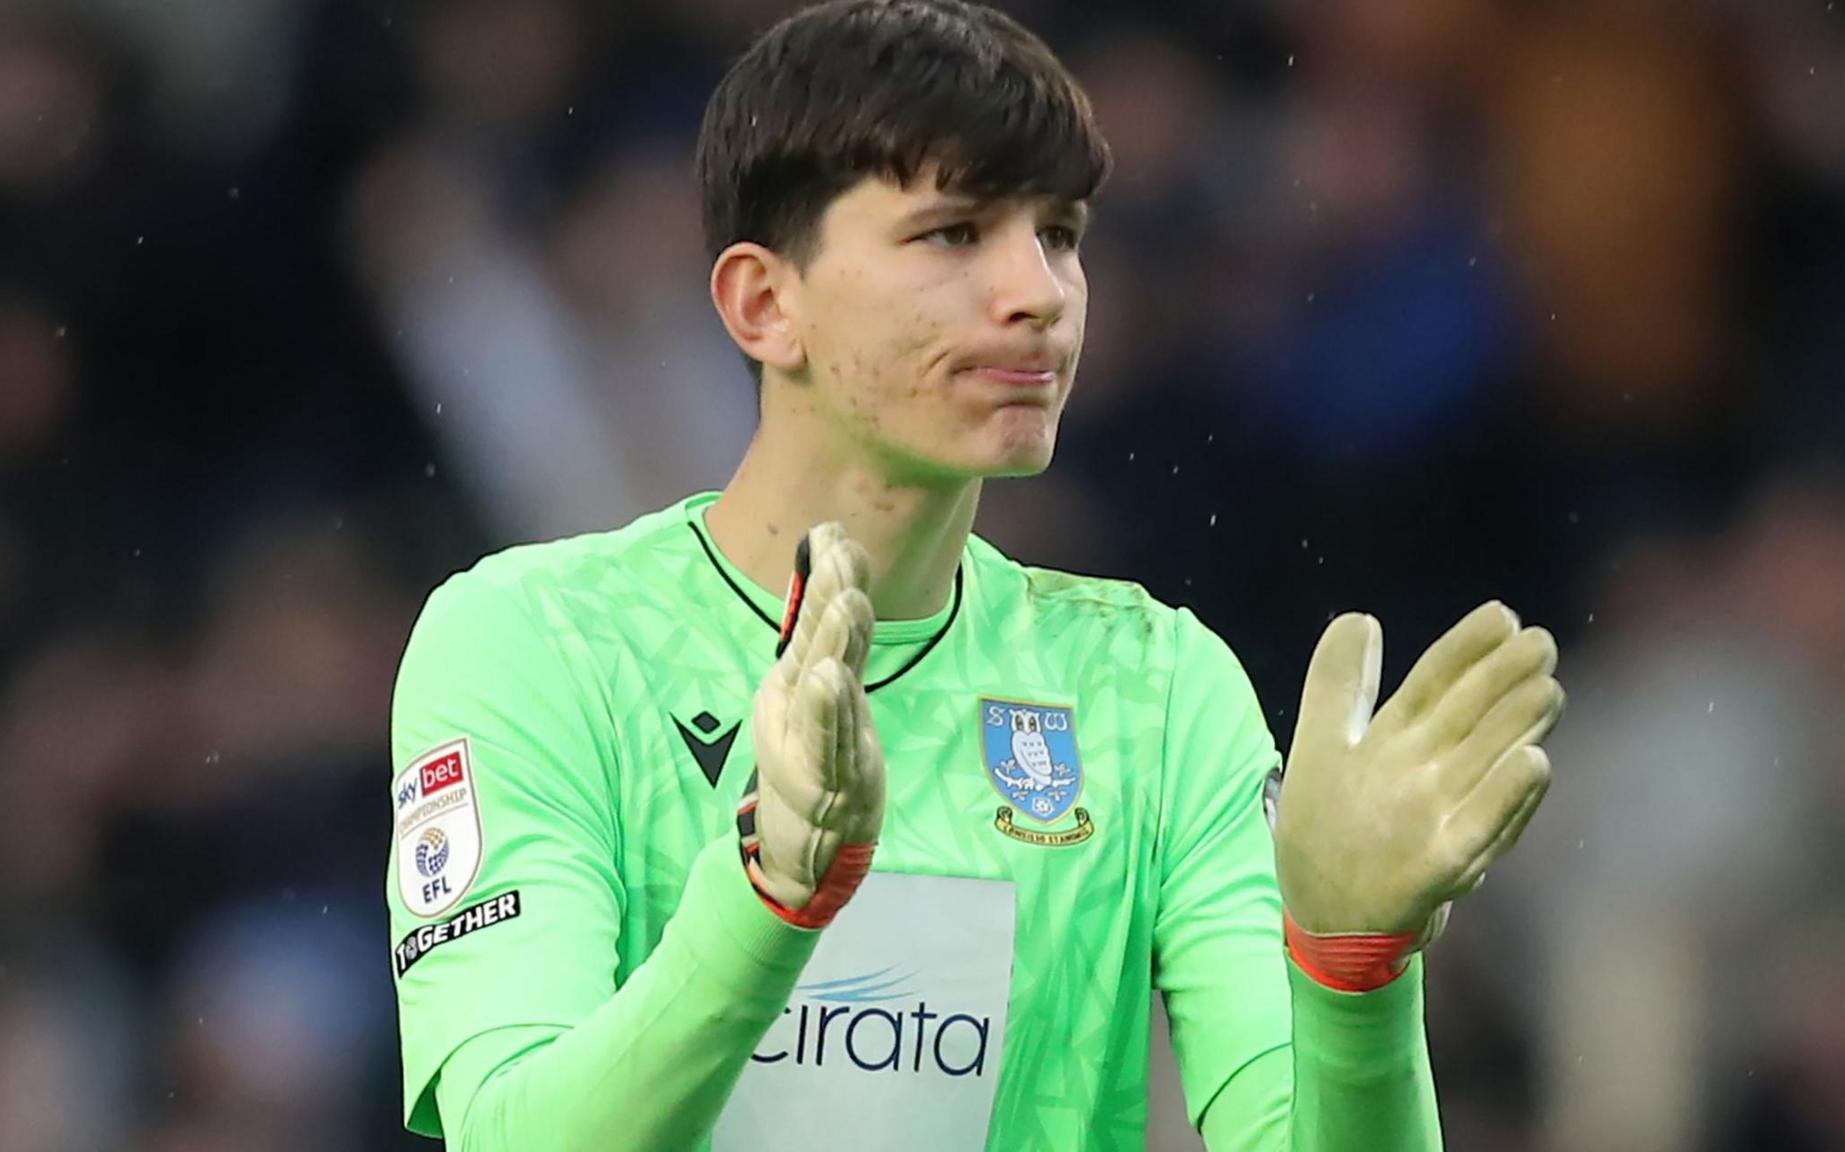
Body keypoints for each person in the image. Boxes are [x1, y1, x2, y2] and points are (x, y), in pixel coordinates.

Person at [384, 2, 1564, 1149]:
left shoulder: (1154, 692)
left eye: (1057, 235)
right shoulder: (529, 643)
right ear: (762, 303)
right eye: (953, 233)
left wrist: (1353, 976)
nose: (1038, 294)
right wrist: (765, 903)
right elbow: (516, 1133)